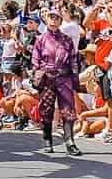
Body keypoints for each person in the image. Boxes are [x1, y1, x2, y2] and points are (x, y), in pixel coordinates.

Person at [31, 10, 82, 156]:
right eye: (51, 18)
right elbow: (35, 60)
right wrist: (37, 75)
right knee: (46, 109)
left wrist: (75, 79)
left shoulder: (67, 39)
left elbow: (73, 60)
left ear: (60, 22)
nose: (53, 21)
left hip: (64, 77)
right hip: (47, 78)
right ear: (47, 20)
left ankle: (69, 142)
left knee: (68, 110)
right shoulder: (41, 39)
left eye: (57, 18)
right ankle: (47, 140)